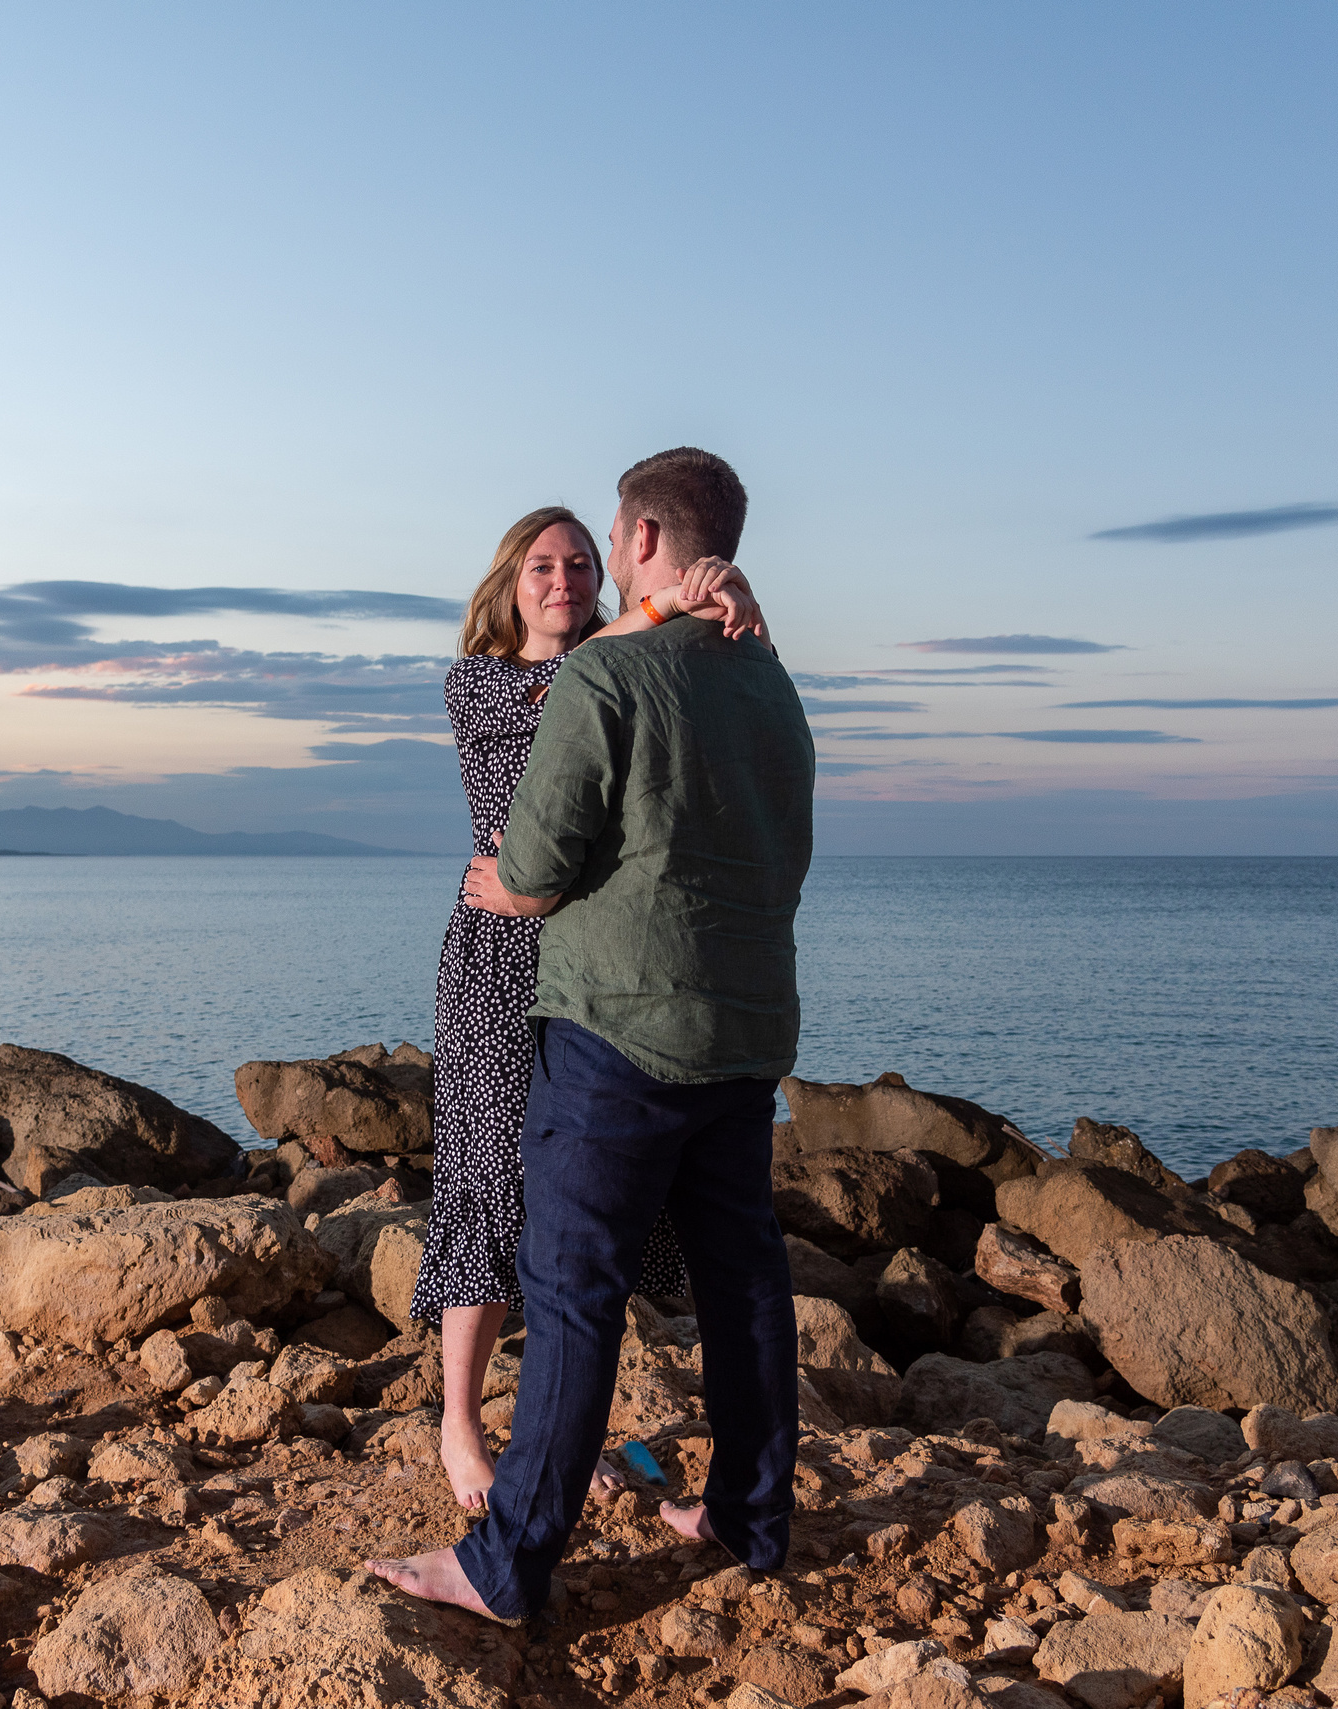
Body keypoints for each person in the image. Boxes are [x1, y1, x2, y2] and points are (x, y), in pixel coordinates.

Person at [370, 447, 816, 1623]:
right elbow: (787, 849)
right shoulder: (767, 676)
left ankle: (506, 1561)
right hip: (743, 1026)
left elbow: (532, 861)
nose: (586, 570)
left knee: (572, 1288)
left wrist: (518, 887)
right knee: (743, 1277)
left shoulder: (605, 681)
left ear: (635, 540)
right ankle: (747, 1511)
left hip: (619, 1022)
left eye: (602, 546)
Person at [415, 501, 768, 1512]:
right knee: (485, 1177)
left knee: (578, 1199)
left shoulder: (629, 670)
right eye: (541, 566)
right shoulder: (480, 682)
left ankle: (559, 1428)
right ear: (507, 584)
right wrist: (672, 598)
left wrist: (725, 608)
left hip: (597, 956)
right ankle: (458, 1427)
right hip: (497, 954)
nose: (563, 579)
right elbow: (564, 691)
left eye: (578, 563)